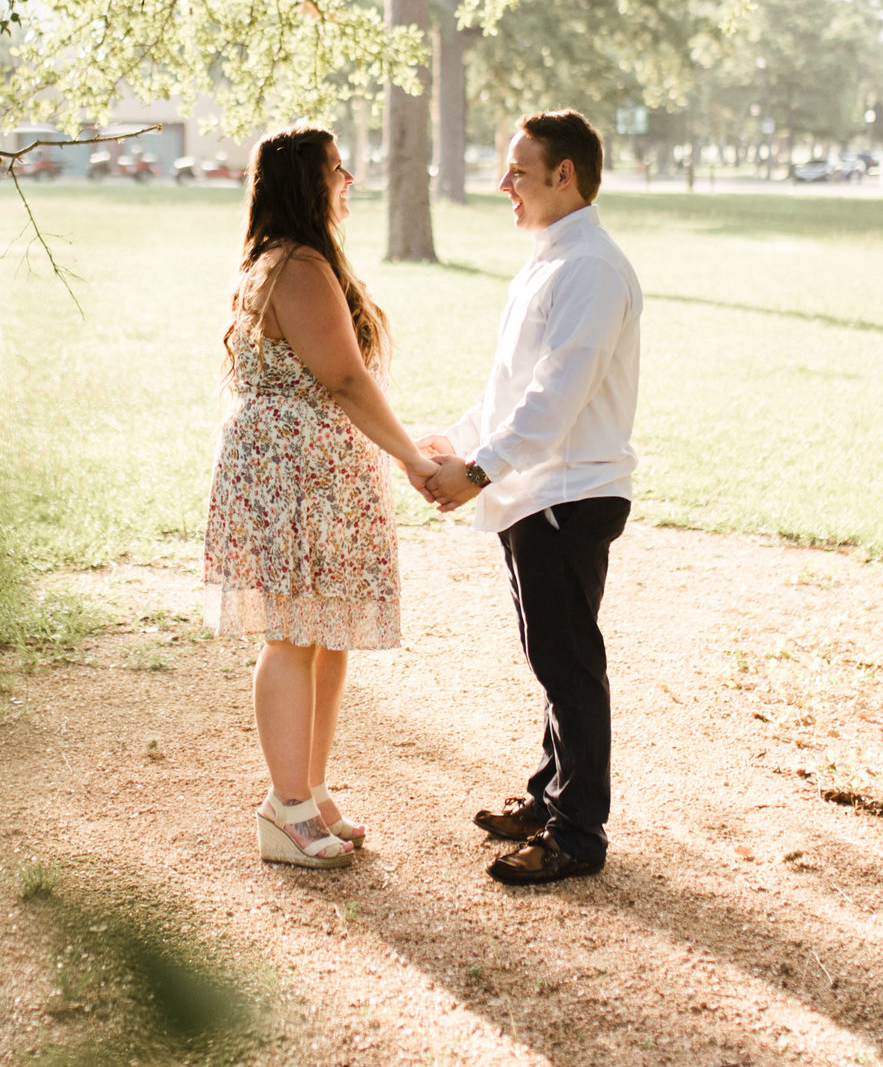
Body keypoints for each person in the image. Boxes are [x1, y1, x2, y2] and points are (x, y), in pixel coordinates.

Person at [205, 124, 442, 869]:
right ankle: (287, 809)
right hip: (291, 472)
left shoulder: (298, 259)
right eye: (338, 170)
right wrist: (411, 458)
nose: (348, 182)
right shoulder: (298, 265)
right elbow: (343, 378)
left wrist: (405, 440)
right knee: (294, 634)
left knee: (327, 634)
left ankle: (306, 788)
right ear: (310, 181)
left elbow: (339, 380)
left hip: (316, 466)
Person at [422, 110, 642, 886]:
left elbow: (557, 397)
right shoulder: (549, 261)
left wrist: (479, 472)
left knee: (568, 662)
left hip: (567, 492)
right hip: (536, 488)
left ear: (564, 174)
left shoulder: (590, 267)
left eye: (519, 170)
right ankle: (552, 797)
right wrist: (455, 444)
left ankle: (578, 833)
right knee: (552, 655)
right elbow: (511, 391)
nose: (503, 183)